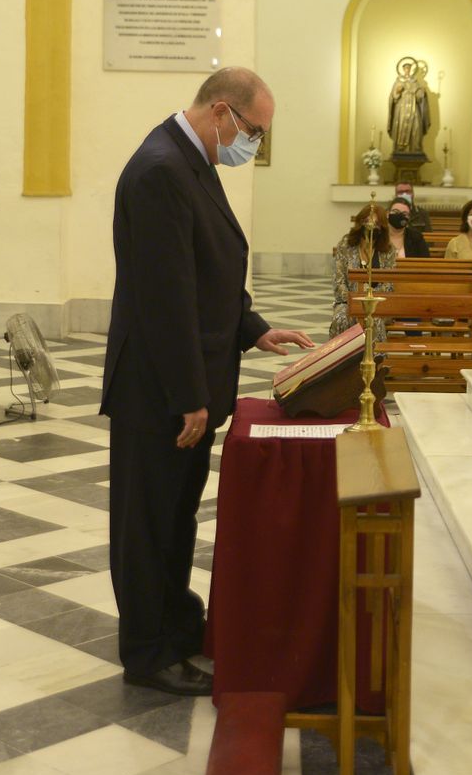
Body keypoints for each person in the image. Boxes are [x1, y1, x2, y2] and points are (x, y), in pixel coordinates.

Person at [101, 67, 314, 697]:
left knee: (174, 517)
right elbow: (165, 300)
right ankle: (149, 651)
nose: (254, 145)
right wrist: (189, 398)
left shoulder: (191, 162)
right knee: (147, 524)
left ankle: (176, 625)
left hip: (180, 384)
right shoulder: (161, 171)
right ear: (222, 112)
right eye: (254, 132)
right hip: (159, 390)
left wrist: (255, 329)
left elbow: (207, 271)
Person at [330, 203, 396, 336]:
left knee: (374, 320)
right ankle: (344, 356)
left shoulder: (388, 250)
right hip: (348, 301)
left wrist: (369, 300)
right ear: (360, 223)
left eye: (376, 224)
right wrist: (354, 300)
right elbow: (339, 281)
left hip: (378, 303)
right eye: (366, 222)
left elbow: (388, 284)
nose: (370, 227)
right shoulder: (346, 246)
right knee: (341, 318)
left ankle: (375, 355)